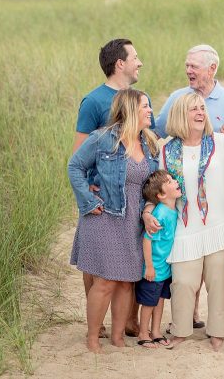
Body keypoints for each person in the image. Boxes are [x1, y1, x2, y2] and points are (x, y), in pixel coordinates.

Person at [68, 88, 159, 353]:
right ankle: (93, 338)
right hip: (105, 216)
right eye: (145, 106)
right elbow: (75, 166)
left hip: (134, 219)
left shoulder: (149, 142)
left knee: (126, 280)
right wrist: (88, 198)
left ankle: (117, 337)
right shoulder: (102, 139)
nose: (150, 111)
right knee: (105, 281)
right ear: (130, 109)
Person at [143, 91, 224, 351]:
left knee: (220, 282)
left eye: (202, 108)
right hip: (184, 227)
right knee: (182, 281)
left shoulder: (222, 143)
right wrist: (147, 212)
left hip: (219, 224)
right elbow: (155, 192)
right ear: (179, 115)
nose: (200, 113)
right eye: (193, 109)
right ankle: (181, 330)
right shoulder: (166, 152)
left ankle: (218, 332)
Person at [72, 38, 148, 337]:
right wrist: (87, 194)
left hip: (132, 196)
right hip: (101, 199)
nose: (140, 62)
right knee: (96, 265)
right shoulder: (93, 101)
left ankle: (128, 322)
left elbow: (146, 141)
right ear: (121, 63)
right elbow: (79, 153)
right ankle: (98, 325)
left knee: (130, 266)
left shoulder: (140, 98)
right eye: (135, 57)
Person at [135, 170, 180, 349]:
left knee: (160, 299)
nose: (175, 181)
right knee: (148, 303)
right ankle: (143, 333)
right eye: (169, 181)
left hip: (165, 267)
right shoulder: (159, 214)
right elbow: (147, 240)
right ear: (161, 195)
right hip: (154, 268)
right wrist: (149, 267)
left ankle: (155, 331)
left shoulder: (173, 210)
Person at [154, 45, 224, 136]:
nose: (188, 71)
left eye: (194, 66)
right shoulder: (176, 98)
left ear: (212, 68)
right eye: (187, 66)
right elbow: (154, 135)